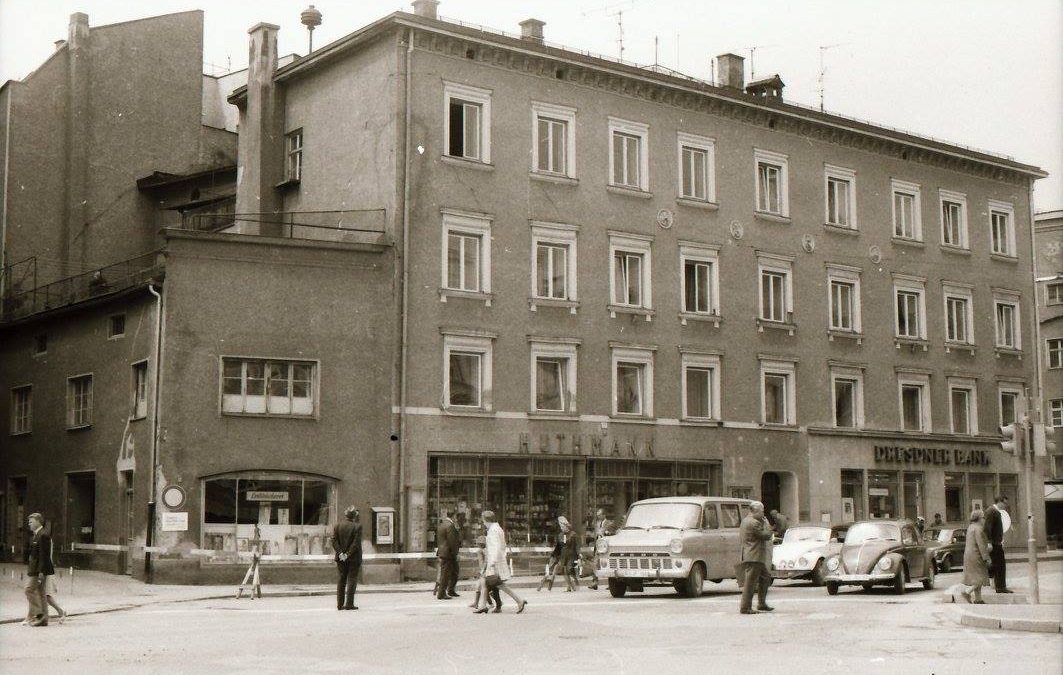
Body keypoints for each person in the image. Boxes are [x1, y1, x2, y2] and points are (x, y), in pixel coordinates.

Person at [473, 511, 527, 614]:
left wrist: (492, 562)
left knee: (498, 584)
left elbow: (495, 547)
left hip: (494, 563)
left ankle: (519, 600)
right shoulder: (497, 529)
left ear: (486, 520)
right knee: (488, 582)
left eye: (483, 521)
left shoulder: (493, 530)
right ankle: (483, 605)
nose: (483, 523)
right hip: (496, 561)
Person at [738, 501, 774, 615]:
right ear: (756, 511)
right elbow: (766, 535)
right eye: (762, 511)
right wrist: (767, 524)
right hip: (754, 555)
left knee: (765, 577)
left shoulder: (745, 521)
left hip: (751, 554)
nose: (763, 513)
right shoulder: (754, 523)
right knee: (750, 583)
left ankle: (761, 603)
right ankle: (745, 607)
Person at [330, 506, 363, 610]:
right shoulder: (357, 526)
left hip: (340, 558)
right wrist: (347, 554)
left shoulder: (337, 526)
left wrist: (340, 553)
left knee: (341, 580)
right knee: (352, 579)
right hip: (353, 558)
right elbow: (355, 544)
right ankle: (349, 604)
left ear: (345, 515)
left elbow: (334, 541)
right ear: (354, 516)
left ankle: (339, 604)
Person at [24, 513, 53, 627]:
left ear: (38, 522)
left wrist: (41, 572)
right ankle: (44, 619)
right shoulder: (37, 535)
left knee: (29, 590)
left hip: (38, 570)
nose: (29, 524)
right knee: (41, 593)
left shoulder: (43, 535)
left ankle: (39, 614)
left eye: (31, 522)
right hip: (36, 569)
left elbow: (44, 556)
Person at [959, 509, 992, 604]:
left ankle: (978, 599)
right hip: (977, 556)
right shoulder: (979, 529)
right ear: (979, 518)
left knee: (975, 577)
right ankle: (967, 592)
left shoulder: (970, 527)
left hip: (969, 555)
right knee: (981, 577)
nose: (984, 520)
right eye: (983, 517)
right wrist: (986, 557)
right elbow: (981, 544)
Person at [983, 496, 1012, 593]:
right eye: (1005, 503)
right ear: (999, 502)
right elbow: (987, 528)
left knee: (999, 565)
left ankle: (1000, 586)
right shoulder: (992, 511)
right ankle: (1000, 587)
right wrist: (989, 542)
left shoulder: (996, 512)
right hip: (994, 544)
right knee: (998, 565)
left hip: (997, 542)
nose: (1006, 506)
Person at [468, 535, 503, 612]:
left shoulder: (483, 551)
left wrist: (482, 571)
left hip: (488, 572)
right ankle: (480, 603)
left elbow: (484, 562)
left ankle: (494, 604)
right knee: (486, 588)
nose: (478, 545)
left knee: (488, 588)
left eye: (479, 544)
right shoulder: (486, 550)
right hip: (491, 572)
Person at [41, 520, 65, 623]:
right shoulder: (45, 538)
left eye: (49, 528)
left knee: (46, 595)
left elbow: (47, 557)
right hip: (48, 569)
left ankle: (61, 612)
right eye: (47, 527)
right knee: (45, 595)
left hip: (48, 570)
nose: (48, 530)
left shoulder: (46, 539)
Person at [435, 508, 460, 600]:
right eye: (456, 517)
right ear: (453, 517)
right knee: (446, 574)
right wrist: (455, 553)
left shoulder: (442, 524)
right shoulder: (450, 526)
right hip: (448, 553)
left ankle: (451, 590)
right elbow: (452, 541)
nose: (456, 519)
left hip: (444, 552)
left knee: (454, 571)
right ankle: (441, 593)